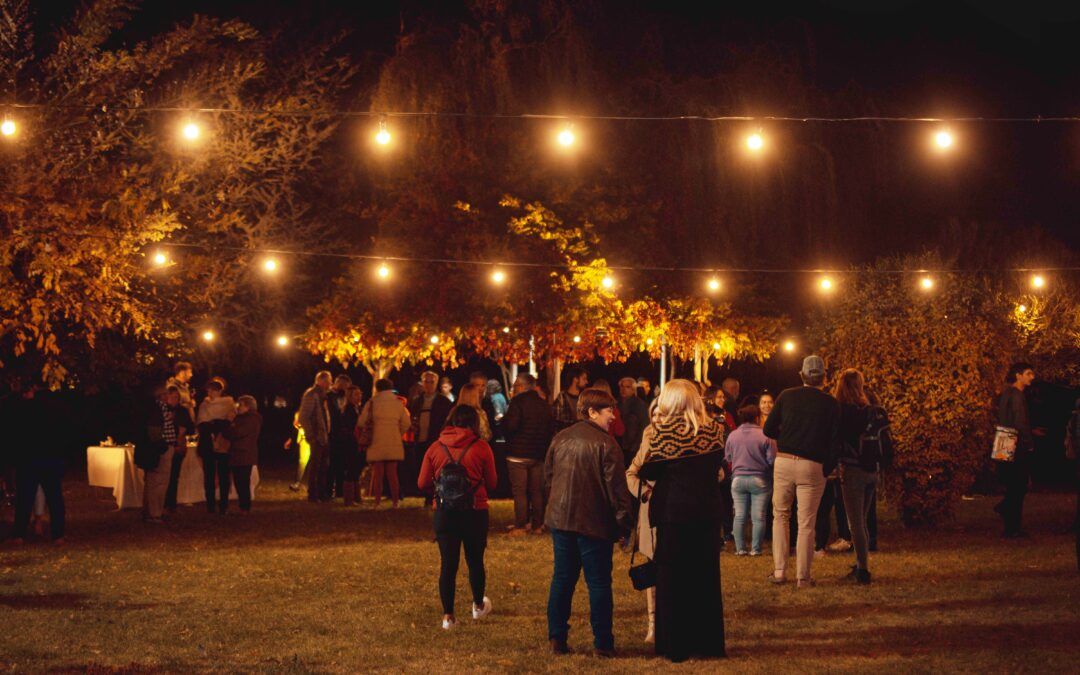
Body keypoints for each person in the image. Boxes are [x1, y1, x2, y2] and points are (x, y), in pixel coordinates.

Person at [635, 380, 727, 662]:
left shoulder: (663, 433)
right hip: (707, 512)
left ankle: (675, 643)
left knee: (672, 579)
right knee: (706, 577)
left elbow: (647, 469)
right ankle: (708, 643)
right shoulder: (715, 431)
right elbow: (716, 466)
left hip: (673, 514)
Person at [545, 388, 632, 657]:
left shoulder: (560, 439)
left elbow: (549, 478)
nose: (613, 416)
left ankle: (557, 638)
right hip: (594, 524)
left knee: (562, 579)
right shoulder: (607, 445)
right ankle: (603, 643)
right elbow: (618, 492)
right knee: (598, 583)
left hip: (561, 520)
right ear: (592, 411)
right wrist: (623, 526)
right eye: (609, 411)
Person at [763, 355, 841, 588]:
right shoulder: (831, 404)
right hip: (813, 465)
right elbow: (835, 441)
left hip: (785, 461)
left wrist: (787, 438)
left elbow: (768, 428)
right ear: (824, 378)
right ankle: (803, 577)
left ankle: (779, 571)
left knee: (780, 515)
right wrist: (827, 467)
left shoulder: (787, 396)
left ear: (802, 375)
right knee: (807, 522)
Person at [417, 406, 498, 630]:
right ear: (474, 423)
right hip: (475, 511)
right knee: (475, 561)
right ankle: (478, 606)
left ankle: (448, 617)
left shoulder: (436, 447)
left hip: (445, 513)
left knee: (448, 565)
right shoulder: (482, 448)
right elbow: (492, 483)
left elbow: (422, 483)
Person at [834, 369, 893, 584]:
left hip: (853, 471)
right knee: (863, 520)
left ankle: (863, 570)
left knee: (855, 523)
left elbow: (838, 441)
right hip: (872, 470)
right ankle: (860, 563)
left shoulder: (843, 412)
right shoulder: (870, 410)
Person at [10, 386, 70, 544]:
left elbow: (17, 434)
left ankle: (19, 534)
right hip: (50, 458)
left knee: (24, 498)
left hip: (29, 458)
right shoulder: (56, 408)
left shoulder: (24, 409)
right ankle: (58, 534)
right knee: (55, 498)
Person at [502, 373, 554, 536]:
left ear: (524, 386)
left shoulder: (517, 402)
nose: (514, 388)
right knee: (536, 491)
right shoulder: (543, 404)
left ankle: (520, 526)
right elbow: (549, 429)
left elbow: (510, 426)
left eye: (516, 385)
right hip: (538, 454)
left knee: (520, 491)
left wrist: (503, 424)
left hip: (518, 454)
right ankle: (537, 525)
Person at [725, 403, 776, 556]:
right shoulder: (765, 435)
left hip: (738, 479)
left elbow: (728, 457)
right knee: (758, 516)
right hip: (760, 479)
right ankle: (756, 549)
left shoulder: (733, 435)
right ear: (757, 417)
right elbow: (772, 459)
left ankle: (740, 549)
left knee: (739, 515)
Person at [624, 420, 657, 644]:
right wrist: (645, 492)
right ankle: (653, 623)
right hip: (652, 515)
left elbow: (719, 473)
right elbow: (631, 473)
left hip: (681, 514)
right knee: (653, 571)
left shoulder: (690, 437)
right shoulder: (649, 437)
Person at [995, 362, 1036, 538]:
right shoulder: (1018, 396)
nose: (1032, 377)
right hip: (1015, 442)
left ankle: (1009, 526)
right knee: (1018, 486)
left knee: (1012, 484)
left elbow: (1007, 419)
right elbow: (1019, 422)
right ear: (1018, 376)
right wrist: (1028, 441)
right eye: (1028, 374)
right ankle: (1012, 525)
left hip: (1003, 439)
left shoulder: (1006, 394)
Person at [139, 385, 187, 524]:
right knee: (158, 483)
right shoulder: (159, 409)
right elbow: (155, 431)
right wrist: (164, 446)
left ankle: (149, 511)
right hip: (161, 449)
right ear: (161, 396)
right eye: (166, 394)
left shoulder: (157, 409)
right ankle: (155, 513)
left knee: (153, 482)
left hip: (161, 447)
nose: (169, 396)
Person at [362, 378, 413, 508]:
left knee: (377, 473)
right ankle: (395, 502)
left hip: (376, 441)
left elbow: (362, 421)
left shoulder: (372, 402)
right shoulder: (397, 403)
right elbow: (406, 423)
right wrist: (398, 432)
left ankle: (377, 501)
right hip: (393, 440)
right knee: (392, 473)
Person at [409, 371, 454, 495]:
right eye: (426, 382)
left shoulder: (443, 402)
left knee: (436, 469)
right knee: (422, 467)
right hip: (420, 440)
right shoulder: (417, 401)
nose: (428, 385)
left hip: (436, 440)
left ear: (436, 383)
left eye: (431, 382)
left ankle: (434, 495)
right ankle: (426, 493)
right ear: (422, 383)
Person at [195, 378, 236, 514]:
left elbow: (230, 422)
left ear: (219, 391)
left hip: (223, 442)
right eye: (208, 390)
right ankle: (210, 505)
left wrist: (216, 424)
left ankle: (223, 505)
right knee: (209, 475)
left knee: (224, 475)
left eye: (212, 390)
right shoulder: (204, 405)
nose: (209, 392)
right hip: (207, 442)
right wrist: (213, 424)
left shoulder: (228, 404)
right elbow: (201, 423)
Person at [298, 371, 332, 502]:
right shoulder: (312, 395)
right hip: (317, 435)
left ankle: (321, 493)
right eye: (328, 381)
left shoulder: (322, 395)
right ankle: (313, 494)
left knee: (323, 465)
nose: (330, 383)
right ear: (321, 381)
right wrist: (311, 434)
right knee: (316, 465)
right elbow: (304, 416)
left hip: (323, 435)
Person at [226, 395, 262, 514]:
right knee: (239, 481)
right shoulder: (242, 418)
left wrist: (230, 423)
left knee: (243, 481)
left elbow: (237, 433)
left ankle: (245, 507)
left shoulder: (251, 419)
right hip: (239, 452)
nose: (238, 407)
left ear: (247, 406)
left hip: (244, 453)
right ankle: (243, 506)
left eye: (240, 405)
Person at [327, 374, 354, 500]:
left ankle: (339, 490)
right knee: (332, 463)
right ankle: (328, 489)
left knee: (341, 464)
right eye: (343, 385)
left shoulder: (346, 398)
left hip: (343, 435)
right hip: (332, 433)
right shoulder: (329, 396)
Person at [340, 386, 365, 506]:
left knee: (356, 469)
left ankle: (357, 496)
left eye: (360, 394)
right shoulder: (348, 410)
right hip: (350, 443)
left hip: (357, 442)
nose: (359, 397)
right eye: (356, 394)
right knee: (351, 469)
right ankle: (349, 499)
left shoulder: (358, 408)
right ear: (350, 396)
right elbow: (348, 427)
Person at [618, 377, 650, 466]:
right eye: (621, 386)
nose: (623, 389)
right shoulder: (616, 403)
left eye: (627, 387)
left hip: (633, 448)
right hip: (619, 446)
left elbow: (644, 426)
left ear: (633, 390)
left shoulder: (640, 405)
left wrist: (637, 446)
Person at [551, 366, 589, 433]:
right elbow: (557, 422)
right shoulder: (562, 398)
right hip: (567, 439)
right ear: (575, 379)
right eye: (584, 379)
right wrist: (577, 424)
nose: (586, 382)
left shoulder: (584, 398)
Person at [285, 411, 311, 492]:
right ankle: (297, 482)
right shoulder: (300, 414)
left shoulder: (307, 418)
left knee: (309, 462)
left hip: (308, 440)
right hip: (303, 441)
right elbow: (296, 428)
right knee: (302, 462)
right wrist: (290, 439)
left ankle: (311, 485)